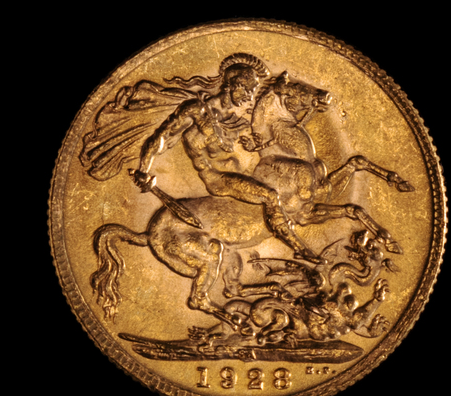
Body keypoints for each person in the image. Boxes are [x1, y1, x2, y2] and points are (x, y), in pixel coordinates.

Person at [130, 53, 320, 262]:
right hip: (217, 178)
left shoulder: (238, 116)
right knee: (270, 196)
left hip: (245, 173)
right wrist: (143, 169)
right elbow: (162, 137)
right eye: (248, 90)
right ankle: (297, 247)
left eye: (253, 91)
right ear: (233, 85)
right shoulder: (196, 111)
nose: (250, 97)